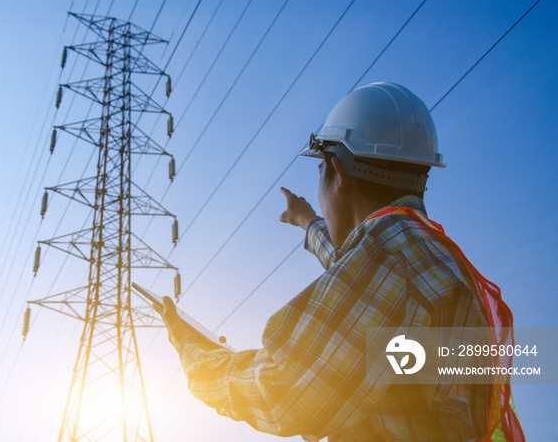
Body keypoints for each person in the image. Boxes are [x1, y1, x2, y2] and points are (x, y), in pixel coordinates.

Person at [156, 82, 524, 441]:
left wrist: (197, 356)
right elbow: (362, 283)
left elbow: (284, 393)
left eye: (320, 170)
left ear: (339, 171)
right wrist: (306, 220)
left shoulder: (391, 248)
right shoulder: (431, 257)